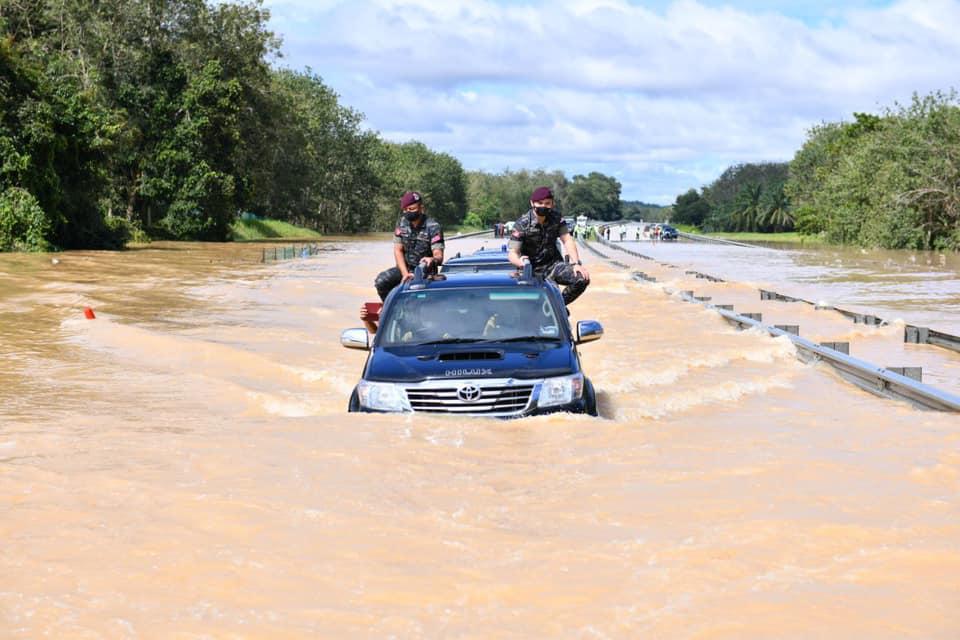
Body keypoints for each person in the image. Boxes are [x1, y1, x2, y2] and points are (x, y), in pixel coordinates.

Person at [507, 186, 590, 305]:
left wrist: (576, 263)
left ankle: (557, 306)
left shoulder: (556, 218)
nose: (543, 206)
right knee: (527, 305)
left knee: (581, 278)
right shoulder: (521, 224)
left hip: (553, 266)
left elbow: (567, 239)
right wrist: (521, 263)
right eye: (539, 203)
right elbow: (512, 253)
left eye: (547, 203)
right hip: (531, 270)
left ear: (552, 204)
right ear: (532, 203)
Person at [374, 191, 444, 301]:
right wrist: (405, 274)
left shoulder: (433, 226)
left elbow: (438, 255)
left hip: (425, 273)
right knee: (381, 281)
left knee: (419, 297)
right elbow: (398, 250)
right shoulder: (402, 223)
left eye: (411, 209)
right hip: (404, 270)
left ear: (421, 208)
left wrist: (432, 259)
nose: (408, 212)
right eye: (405, 210)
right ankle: (392, 309)